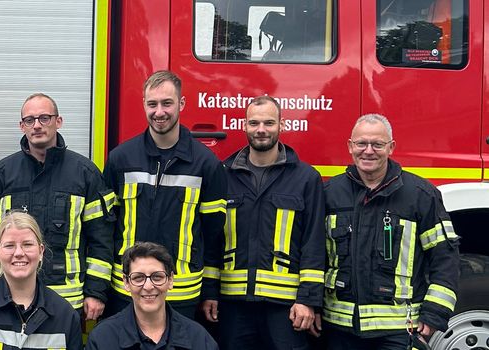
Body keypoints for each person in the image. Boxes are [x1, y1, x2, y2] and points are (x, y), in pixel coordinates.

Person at [322, 114, 460, 349]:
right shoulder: (329, 193)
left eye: (377, 144)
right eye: (361, 143)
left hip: (398, 331)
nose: (368, 151)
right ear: (350, 146)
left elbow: (445, 257)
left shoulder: (420, 195)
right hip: (339, 328)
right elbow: (313, 256)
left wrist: (435, 312)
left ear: (391, 147)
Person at [103, 70, 227, 319]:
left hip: (181, 292)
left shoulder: (206, 164)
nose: (159, 112)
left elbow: (214, 236)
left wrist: (211, 290)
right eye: (152, 104)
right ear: (144, 105)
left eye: (167, 103)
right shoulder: (120, 159)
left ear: (181, 103)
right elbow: (107, 227)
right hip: (128, 288)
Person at [202, 96, 324, 349]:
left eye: (269, 123)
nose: (261, 130)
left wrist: (308, 300)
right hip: (232, 306)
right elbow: (212, 240)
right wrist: (210, 292)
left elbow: (314, 242)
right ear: (244, 126)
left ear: (281, 125)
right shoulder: (223, 175)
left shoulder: (305, 178)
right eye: (254, 123)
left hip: (286, 308)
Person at [0, 93, 115, 320]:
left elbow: (101, 239)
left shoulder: (85, 173)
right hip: (9, 294)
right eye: (29, 120)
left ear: (58, 121)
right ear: (21, 126)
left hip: (67, 298)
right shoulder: (2, 174)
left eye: (44, 118)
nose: (36, 125)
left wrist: (96, 292)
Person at [0, 211, 82, 350]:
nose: (19, 253)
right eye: (9, 246)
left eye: (27, 244)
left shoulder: (66, 316)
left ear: (41, 252)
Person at [87, 242, 218, 350]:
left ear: (170, 280)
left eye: (157, 277)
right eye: (138, 278)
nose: (148, 286)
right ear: (126, 282)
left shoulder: (199, 339)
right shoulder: (103, 339)